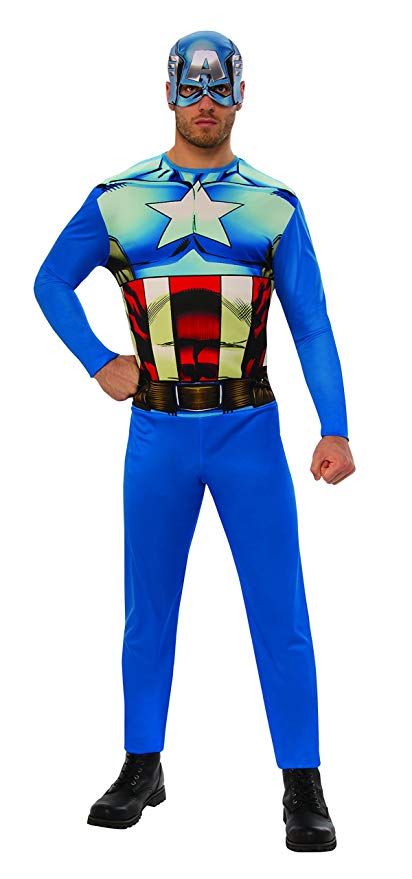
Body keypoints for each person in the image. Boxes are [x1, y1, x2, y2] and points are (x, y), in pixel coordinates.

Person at [33, 29, 355, 850]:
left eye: (219, 88)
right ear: (170, 91)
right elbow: (50, 280)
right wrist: (97, 360)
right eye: (191, 87)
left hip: (250, 428)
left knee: (280, 609)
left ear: (241, 93)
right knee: (148, 609)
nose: (205, 103)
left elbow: (312, 324)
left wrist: (336, 425)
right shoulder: (118, 197)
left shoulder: (275, 204)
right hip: (159, 430)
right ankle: (142, 763)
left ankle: (303, 781)